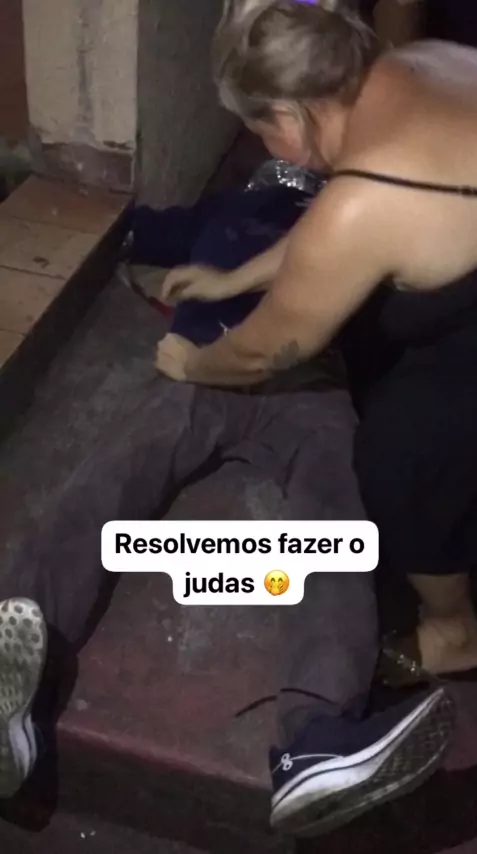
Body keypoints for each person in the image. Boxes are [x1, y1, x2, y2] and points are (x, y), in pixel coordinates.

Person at [0, 179, 453, 835]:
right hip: (204, 365)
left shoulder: (357, 221)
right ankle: (12, 670)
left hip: (307, 383)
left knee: (336, 522)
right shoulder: (228, 209)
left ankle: (317, 740)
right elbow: (134, 223)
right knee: (109, 478)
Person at [156, 2, 477, 683]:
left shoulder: (368, 194)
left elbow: (267, 349)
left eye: (261, 134)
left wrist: (194, 364)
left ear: (288, 114)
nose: (266, 152)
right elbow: (339, 230)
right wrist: (234, 278)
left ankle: (455, 631)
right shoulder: (410, 65)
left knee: (401, 460)